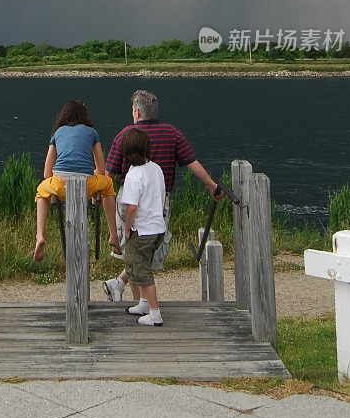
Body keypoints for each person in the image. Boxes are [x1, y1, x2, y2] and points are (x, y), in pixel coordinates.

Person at [103, 89, 220, 302]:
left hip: (129, 198)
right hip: (159, 200)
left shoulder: (125, 135)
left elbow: (108, 174)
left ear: (137, 112)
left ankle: (128, 292)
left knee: (134, 249)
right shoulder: (172, 133)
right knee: (147, 250)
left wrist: (97, 192)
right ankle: (133, 296)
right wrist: (212, 186)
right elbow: (192, 163)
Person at [33, 100, 121, 262]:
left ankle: (40, 235)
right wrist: (93, 184)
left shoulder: (57, 133)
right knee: (108, 184)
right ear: (84, 116)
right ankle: (113, 235)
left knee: (41, 192)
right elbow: (101, 170)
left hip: (60, 184)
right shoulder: (92, 133)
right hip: (86, 183)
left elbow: (47, 172)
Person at [120, 128, 166, 325]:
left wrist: (127, 229)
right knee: (144, 265)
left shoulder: (133, 175)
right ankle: (143, 304)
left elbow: (131, 207)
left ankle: (155, 314)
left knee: (142, 271)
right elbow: (163, 196)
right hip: (158, 228)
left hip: (142, 230)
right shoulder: (156, 168)